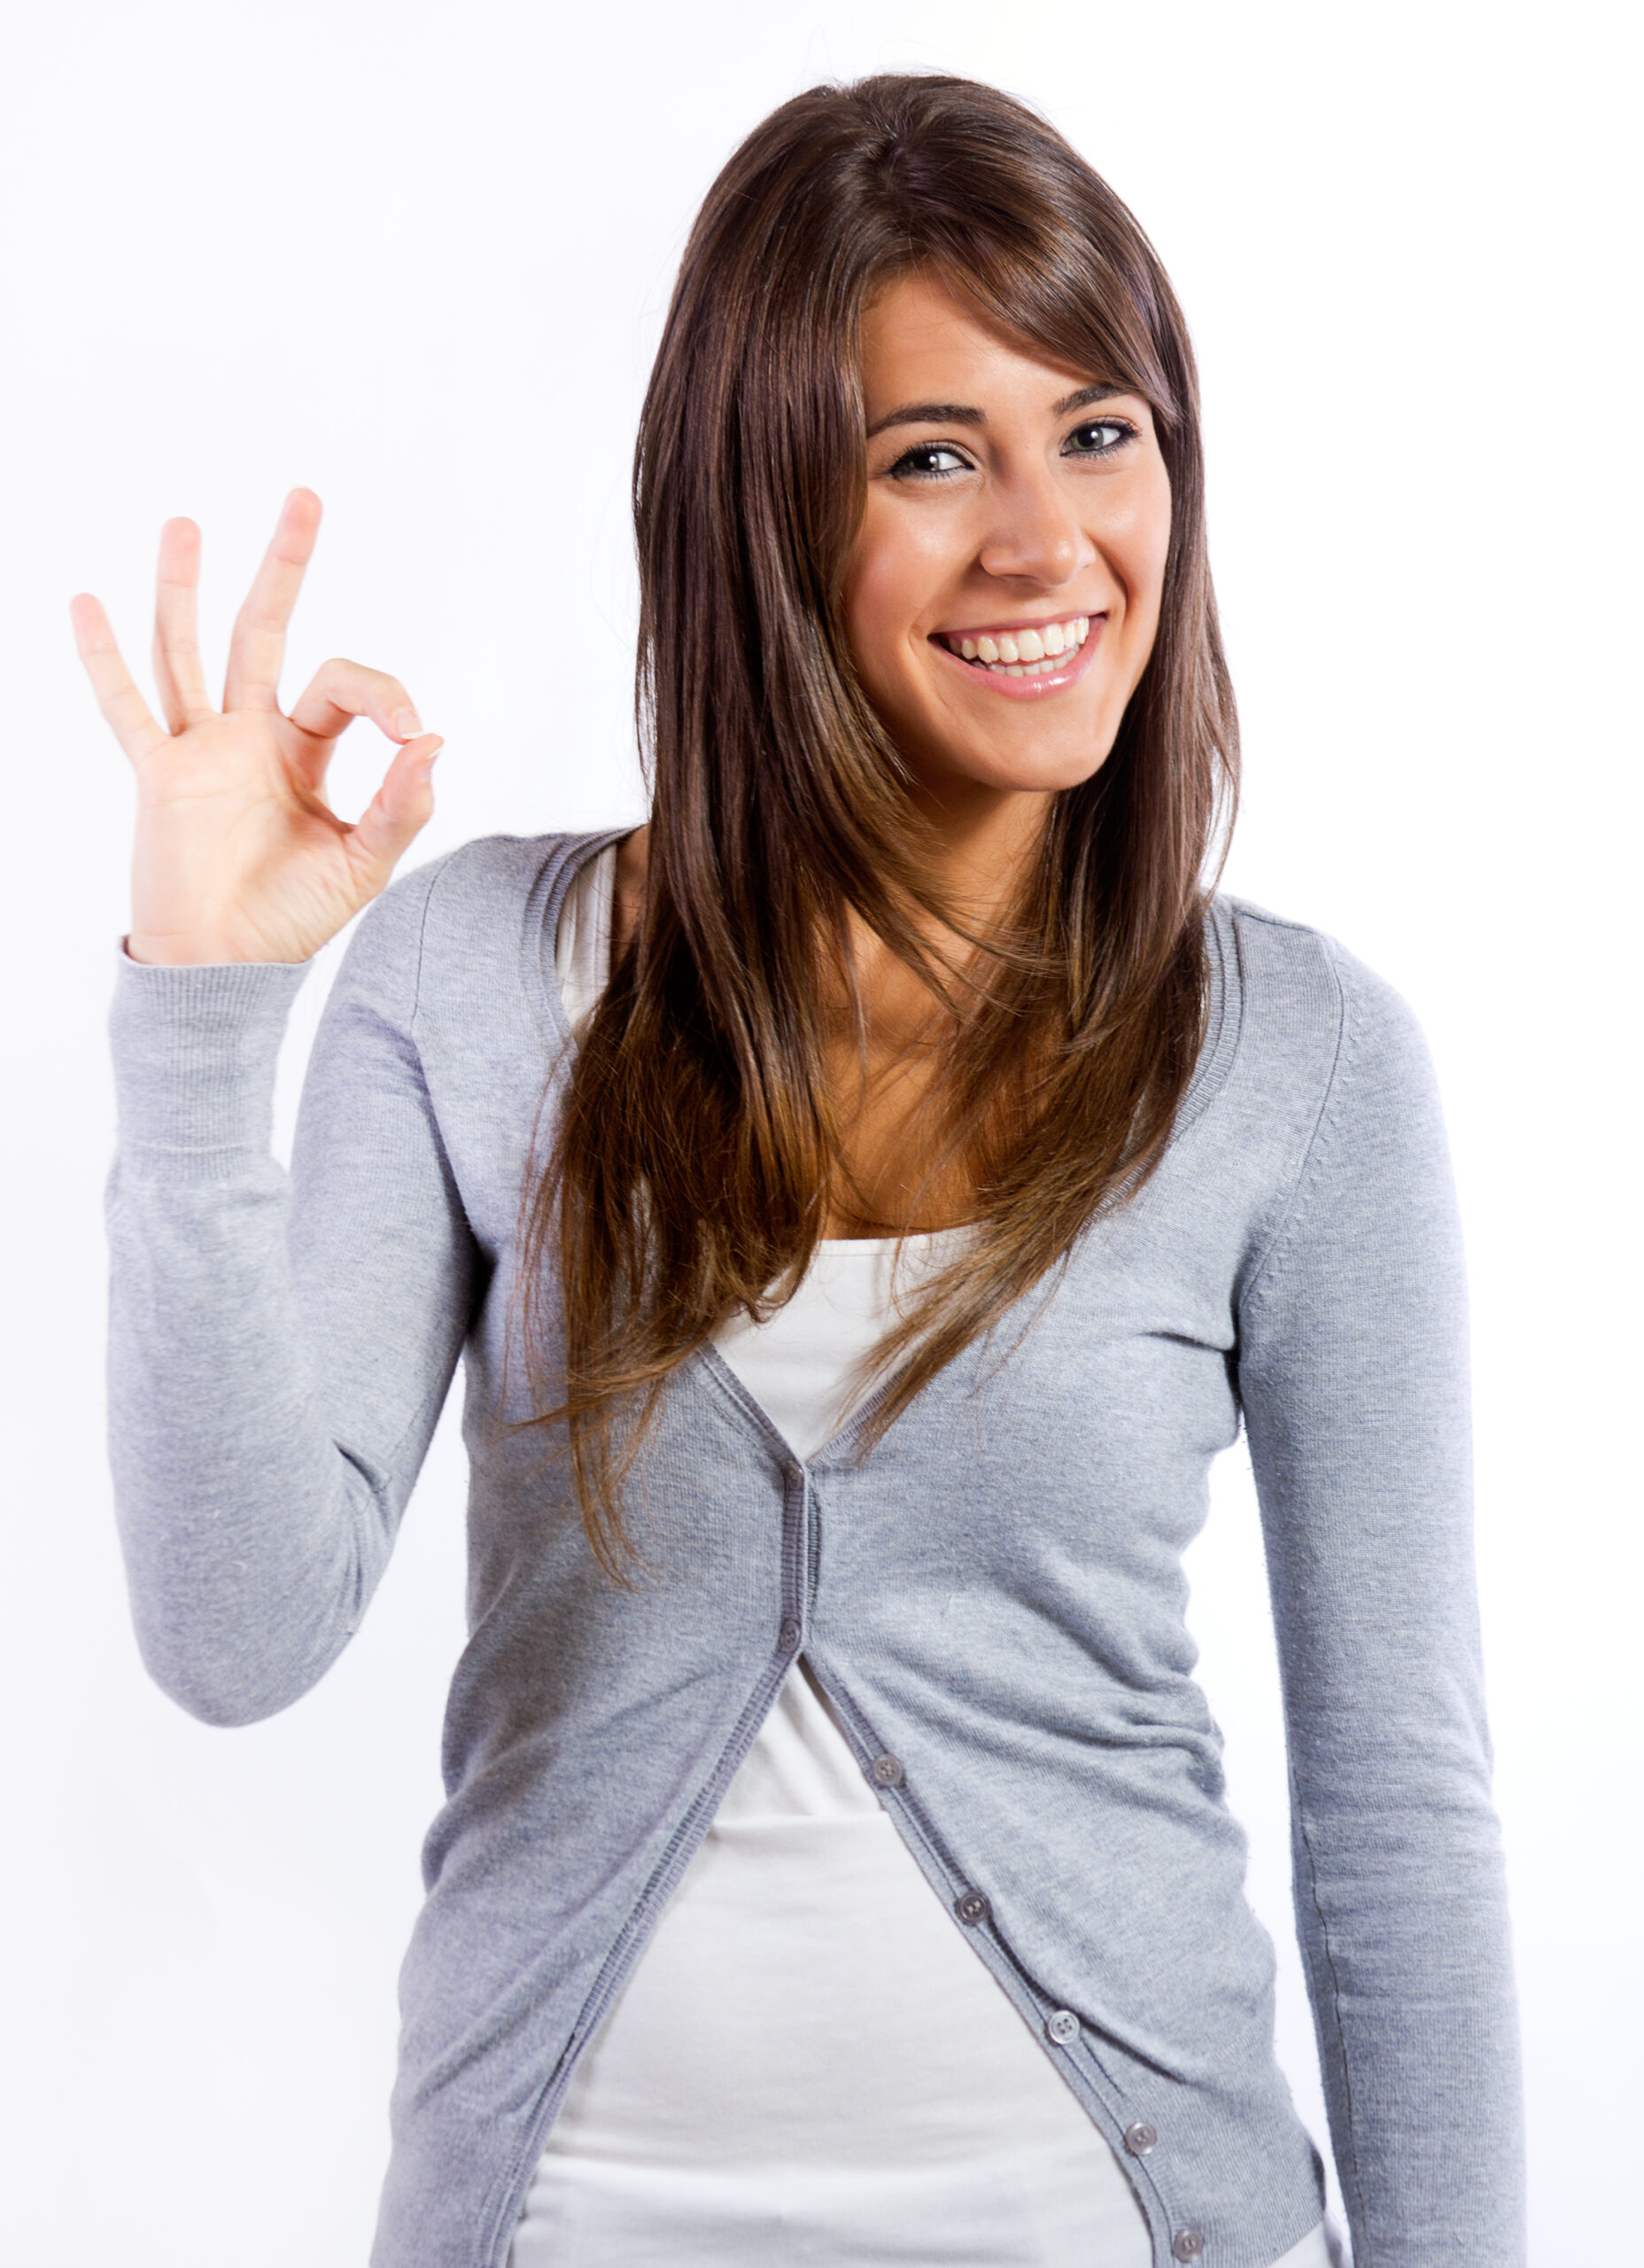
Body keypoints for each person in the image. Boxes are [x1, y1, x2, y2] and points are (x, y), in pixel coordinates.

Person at [74, 72, 1523, 2268]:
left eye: (1099, 431)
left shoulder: (1296, 1062)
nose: (1045, 541)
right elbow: (234, 1631)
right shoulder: (475, 978)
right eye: (931, 457)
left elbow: (1399, 1809)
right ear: (756, 513)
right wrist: (202, 1013)